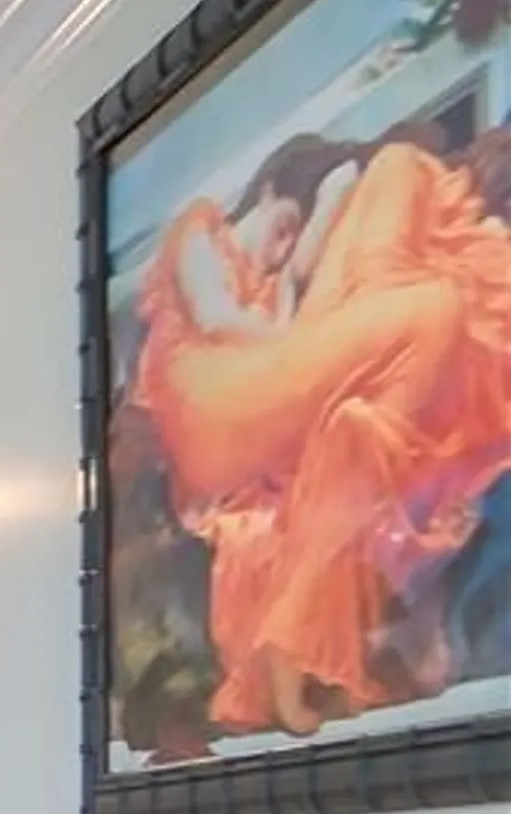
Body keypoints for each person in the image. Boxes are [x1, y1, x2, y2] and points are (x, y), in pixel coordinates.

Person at [130, 130, 511, 735]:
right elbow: (215, 315)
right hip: (216, 404)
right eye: (285, 224)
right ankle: (303, 624)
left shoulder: (269, 287)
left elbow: (298, 315)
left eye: (294, 238)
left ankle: (313, 627)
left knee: (368, 401)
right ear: (270, 188)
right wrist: (334, 205)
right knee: (432, 307)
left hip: (247, 415)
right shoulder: (198, 229)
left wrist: (303, 265)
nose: (283, 248)